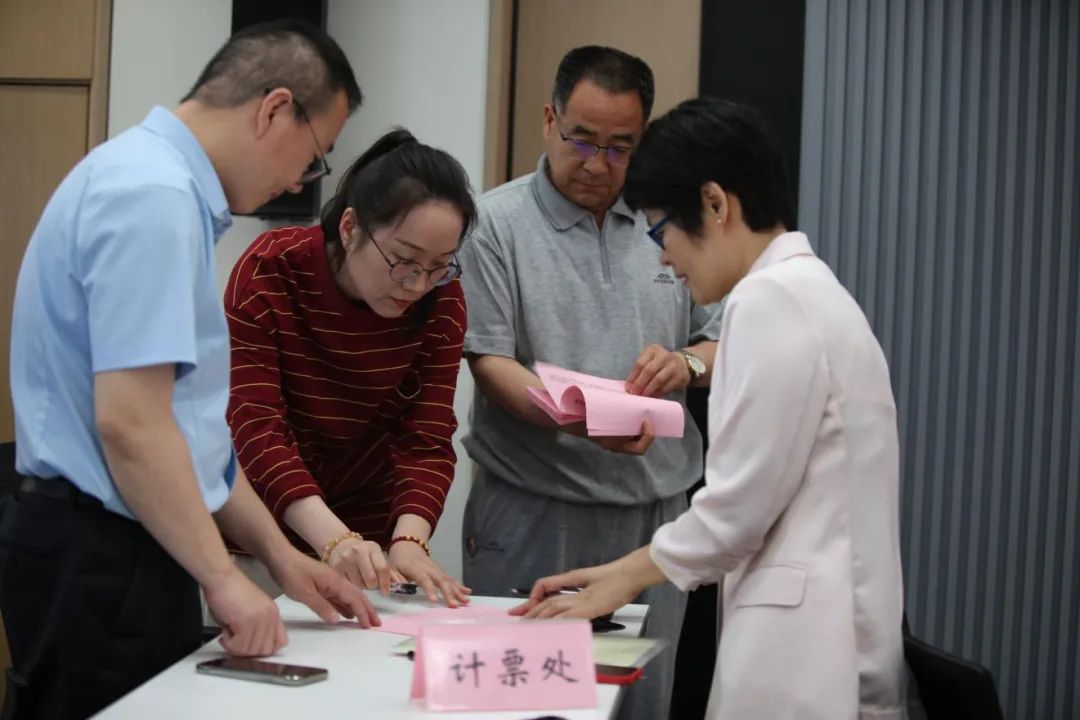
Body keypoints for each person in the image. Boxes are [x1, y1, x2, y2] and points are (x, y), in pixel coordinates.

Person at [1, 21, 380, 719]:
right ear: (274, 109)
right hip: (104, 548)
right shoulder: (153, 197)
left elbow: (187, 433)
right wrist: (221, 577)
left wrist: (280, 558)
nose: (299, 180)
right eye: (315, 156)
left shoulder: (150, 181)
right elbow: (132, 425)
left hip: (122, 538)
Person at [514, 97, 908, 720]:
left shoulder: (769, 300)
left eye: (660, 231)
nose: (664, 258)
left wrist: (623, 576)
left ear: (716, 204)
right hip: (837, 636)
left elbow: (735, 510)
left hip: (807, 658)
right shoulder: (815, 292)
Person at [457, 46, 723, 720]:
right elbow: (489, 362)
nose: (597, 164)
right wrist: (574, 417)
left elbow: (725, 337)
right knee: (526, 703)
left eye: (619, 147)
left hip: (654, 514)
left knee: (643, 703)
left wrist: (687, 364)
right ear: (549, 119)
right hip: (535, 507)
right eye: (581, 140)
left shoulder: (670, 221)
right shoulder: (494, 224)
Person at [223, 128, 476, 607]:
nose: (417, 284)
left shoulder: (442, 298)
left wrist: (409, 541)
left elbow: (426, 438)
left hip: (368, 548)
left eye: (439, 265)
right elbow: (256, 425)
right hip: (262, 540)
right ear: (349, 227)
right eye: (403, 261)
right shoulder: (271, 270)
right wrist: (332, 538)